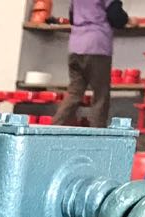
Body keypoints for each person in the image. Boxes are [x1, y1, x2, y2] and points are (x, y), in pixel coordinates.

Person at [53, 0, 115, 128]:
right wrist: (130, 20)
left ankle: (54, 127)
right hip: (96, 47)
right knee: (100, 94)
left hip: (75, 46)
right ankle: (97, 133)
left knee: (74, 93)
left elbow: (72, 17)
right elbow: (117, 17)